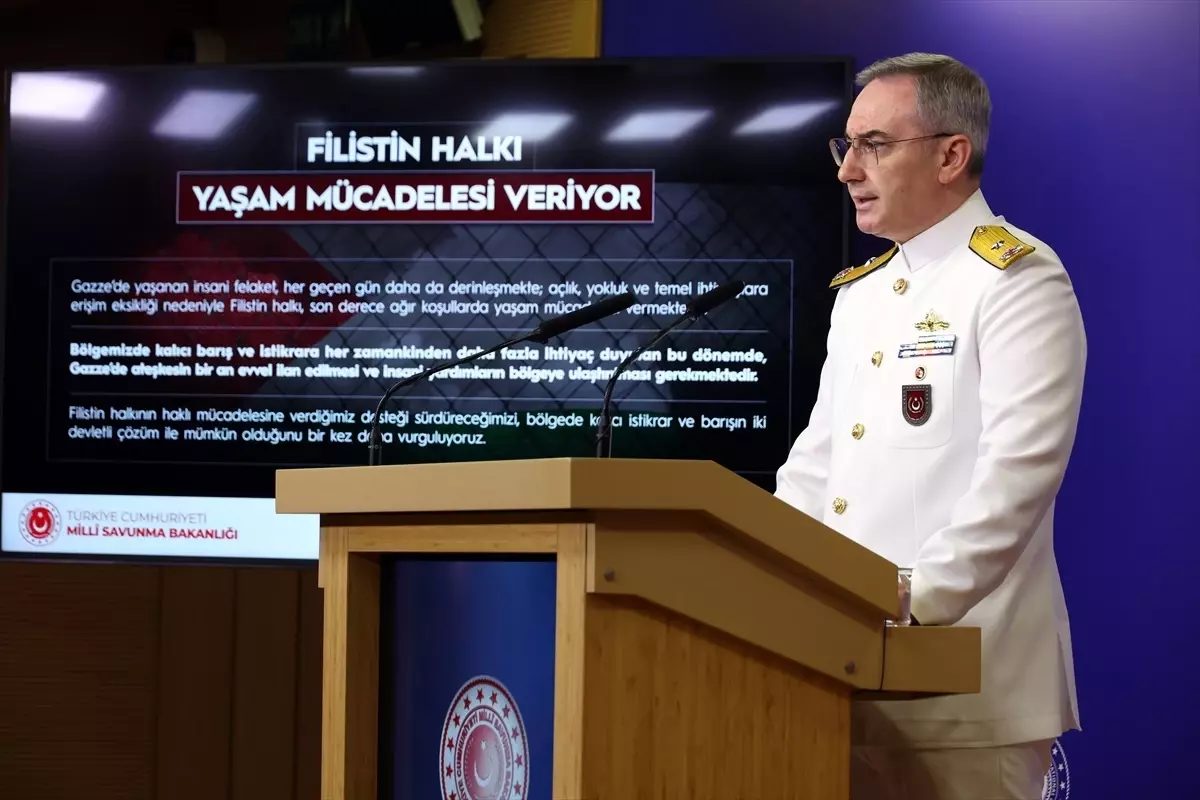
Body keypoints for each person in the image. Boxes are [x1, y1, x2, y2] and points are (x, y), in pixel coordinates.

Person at [774, 52, 1086, 800]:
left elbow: (1018, 476)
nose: (848, 169)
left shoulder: (1016, 278)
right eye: (846, 145)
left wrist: (908, 604)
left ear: (951, 156)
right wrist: (773, 576)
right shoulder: (862, 294)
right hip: (839, 671)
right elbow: (817, 465)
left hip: (966, 686)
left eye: (874, 145)